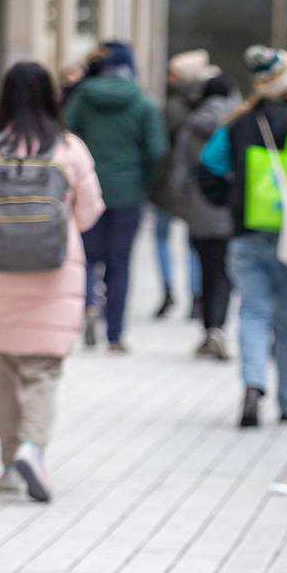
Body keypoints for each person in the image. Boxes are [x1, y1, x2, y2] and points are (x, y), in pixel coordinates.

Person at [0, 62, 105, 503]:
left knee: (3, 368)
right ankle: (33, 448)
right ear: (51, 97)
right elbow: (91, 211)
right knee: (42, 369)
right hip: (55, 273)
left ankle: (6, 464)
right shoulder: (69, 148)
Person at [197, 45, 287, 427]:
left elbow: (207, 170)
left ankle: (253, 386)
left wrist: (232, 202)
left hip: (247, 233)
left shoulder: (238, 124)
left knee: (253, 311)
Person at [66, 41, 168, 353]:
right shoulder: (144, 103)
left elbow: (65, 135)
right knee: (120, 263)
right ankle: (115, 334)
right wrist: (143, 182)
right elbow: (157, 151)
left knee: (85, 258)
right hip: (127, 195)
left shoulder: (83, 97)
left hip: (86, 192)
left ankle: (87, 309)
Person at [167, 74, 240, 360]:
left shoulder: (192, 124)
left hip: (198, 209)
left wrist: (182, 206)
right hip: (230, 209)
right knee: (224, 273)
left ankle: (208, 327)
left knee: (206, 269)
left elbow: (179, 170)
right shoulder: (239, 124)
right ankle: (219, 328)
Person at [149, 50, 220, 320]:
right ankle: (196, 295)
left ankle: (168, 288)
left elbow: (158, 147)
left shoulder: (171, 108)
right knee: (193, 242)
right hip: (198, 184)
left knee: (162, 238)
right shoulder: (208, 108)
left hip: (168, 183)